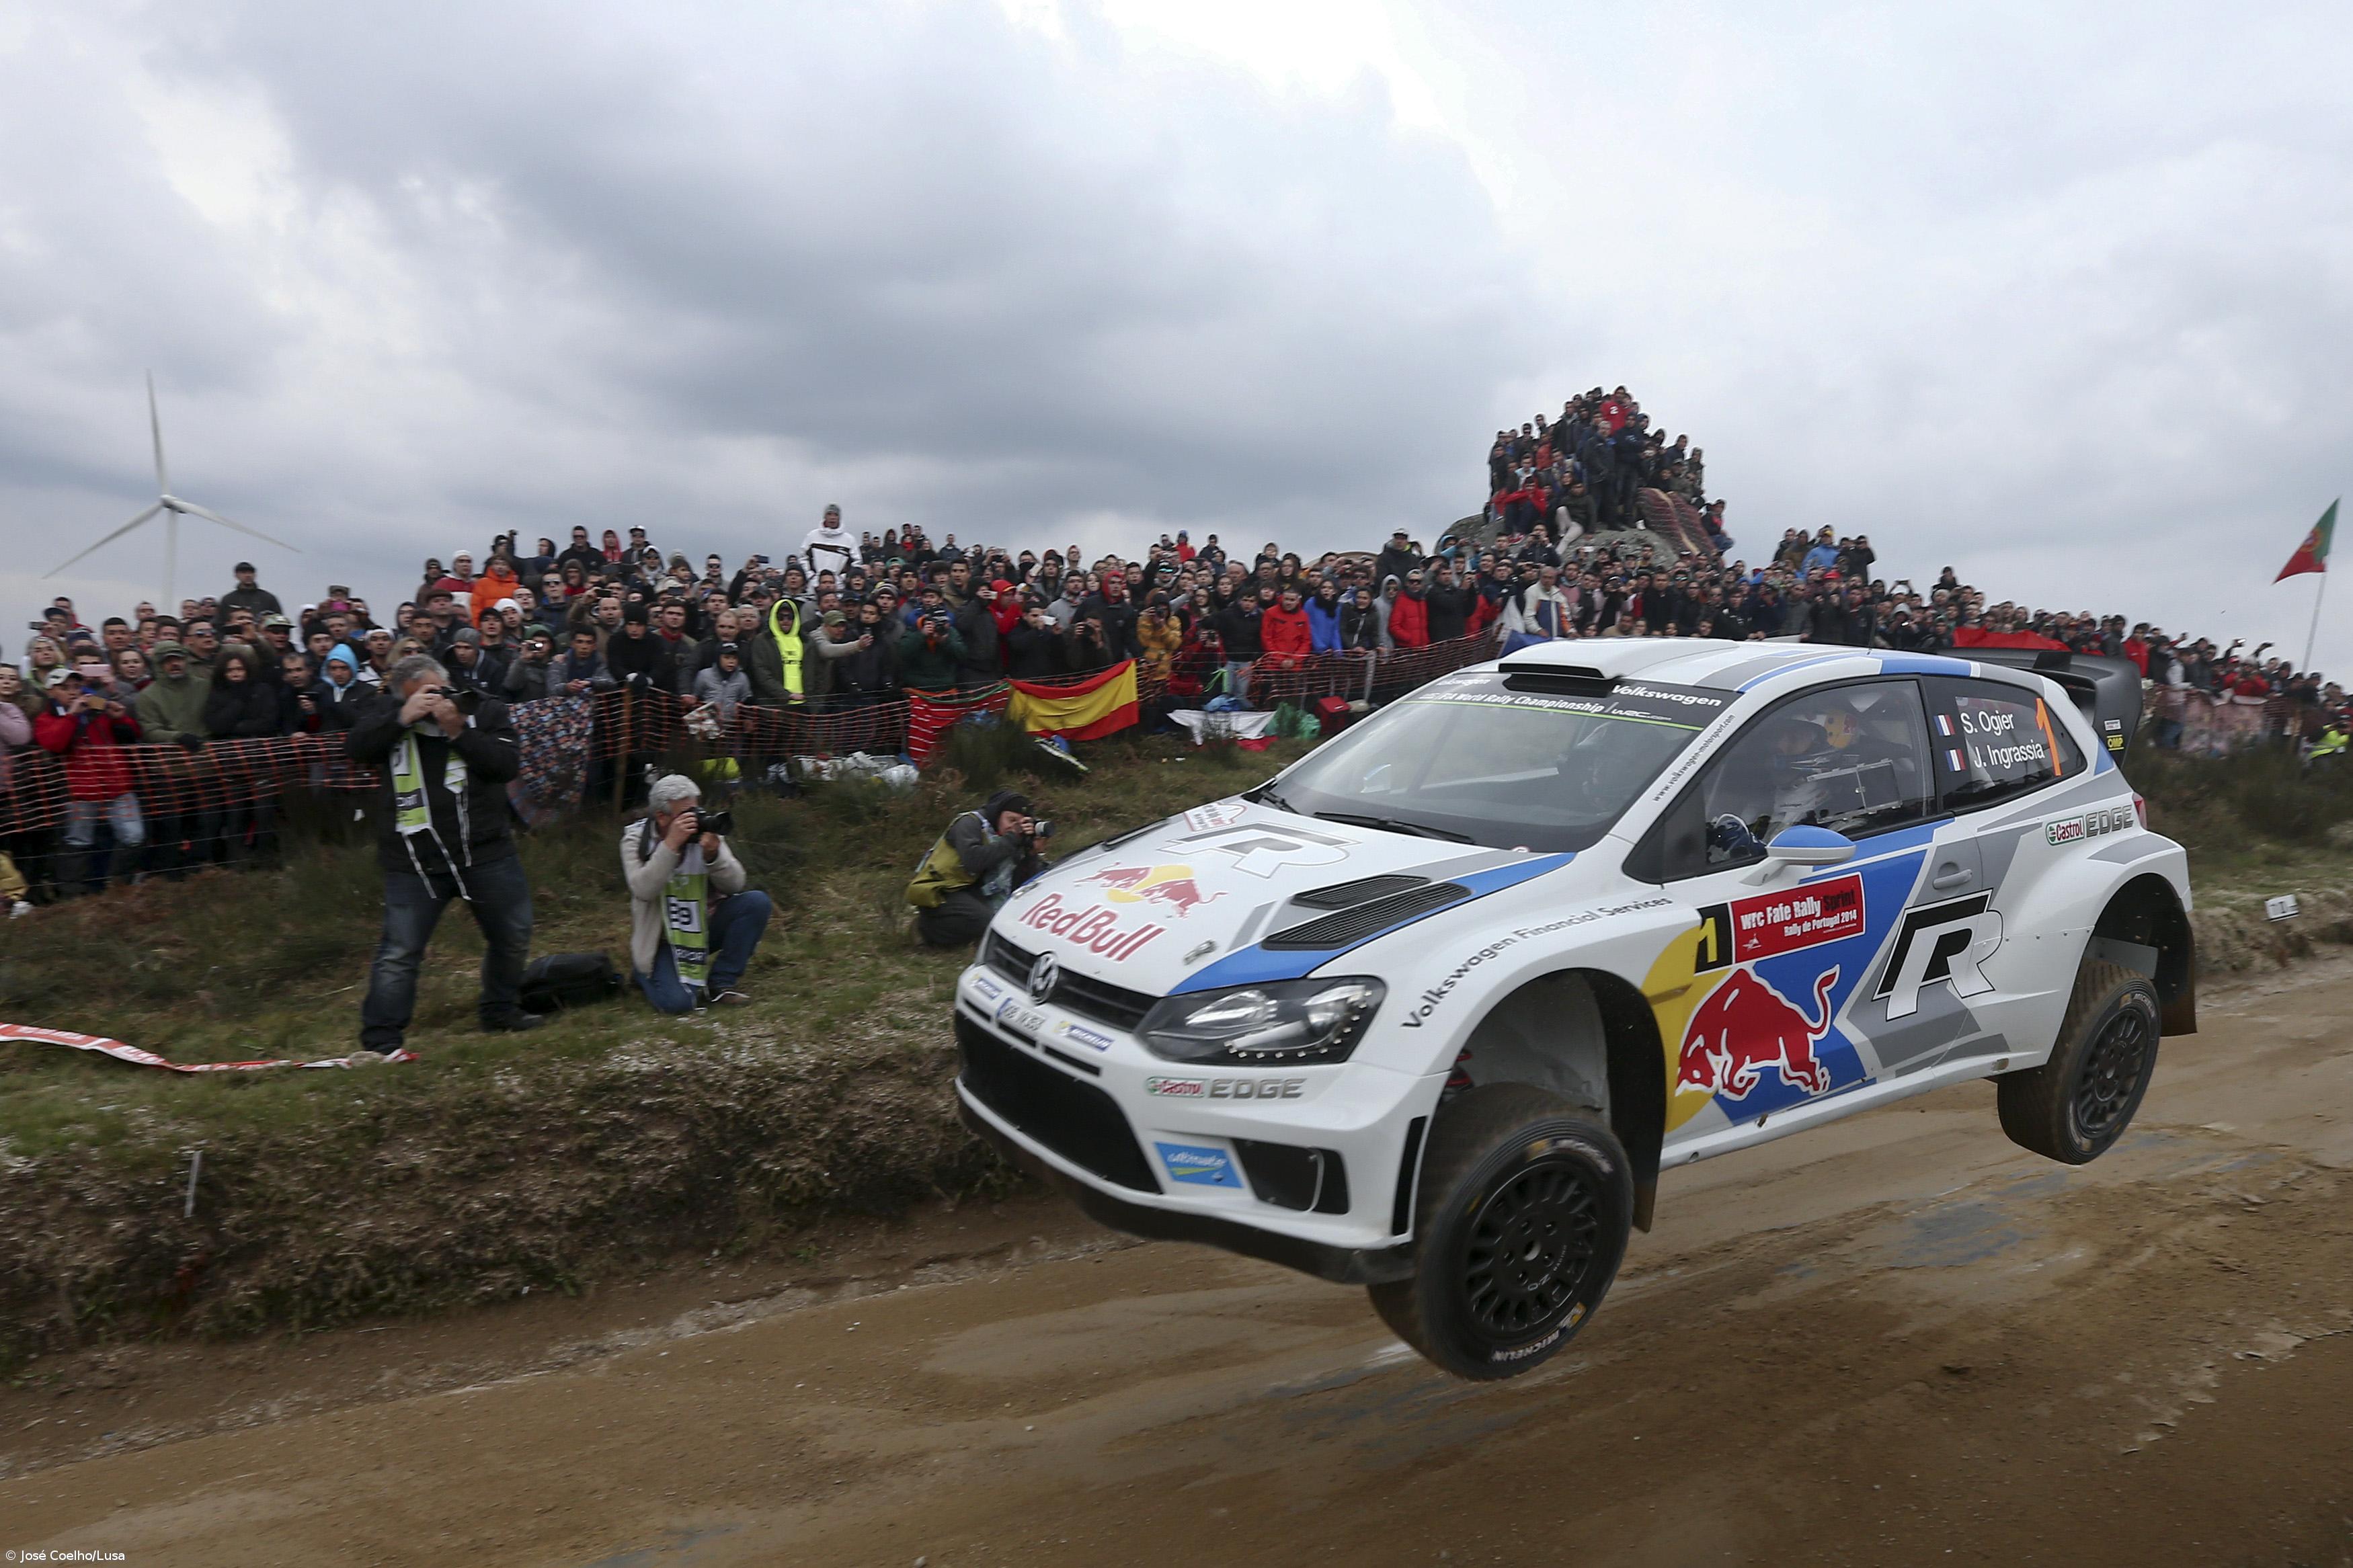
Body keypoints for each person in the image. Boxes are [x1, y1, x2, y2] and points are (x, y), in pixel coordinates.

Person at [345, 653, 541, 1057]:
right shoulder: (386, 712)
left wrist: (458, 731)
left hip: (485, 850)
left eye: (438, 691)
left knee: (514, 935)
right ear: (402, 697)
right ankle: (382, 1042)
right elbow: (357, 748)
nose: (433, 703)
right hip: (414, 860)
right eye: (422, 697)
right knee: (400, 952)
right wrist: (401, 718)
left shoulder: (484, 708)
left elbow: (506, 765)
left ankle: (500, 1010)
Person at [621, 775, 772, 1012]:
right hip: (664, 940)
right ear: (661, 817)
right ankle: (642, 973)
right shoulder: (635, 840)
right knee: (679, 1004)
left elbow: (736, 885)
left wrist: (713, 857)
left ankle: (721, 983)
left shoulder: (704, 830)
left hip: (702, 928)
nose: (695, 818)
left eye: (697, 809)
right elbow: (643, 890)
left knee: (756, 903)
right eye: (686, 814)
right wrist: (670, 846)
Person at [907, 788, 1047, 947]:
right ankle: (924, 930)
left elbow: (1020, 882)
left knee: (1007, 921)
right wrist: (1013, 838)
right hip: (944, 889)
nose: (1015, 827)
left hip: (976, 890)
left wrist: (1032, 852)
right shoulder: (970, 823)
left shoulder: (1011, 836)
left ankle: (972, 935)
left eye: (1020, 823)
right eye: (1011, 820)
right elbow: (973, 861)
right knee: (986, 921)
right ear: (997, 814)